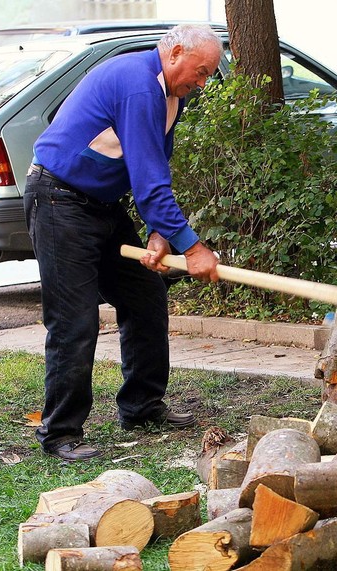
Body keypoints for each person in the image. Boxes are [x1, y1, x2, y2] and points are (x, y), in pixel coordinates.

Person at [24, 24, 222, 461]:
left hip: (102, 204)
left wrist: (159, 232)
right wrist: (191, 247)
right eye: (202, 71)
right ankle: (59, 433)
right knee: (74, 320)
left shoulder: (172, 94)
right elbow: (151, 183)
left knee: (145, 295)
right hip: (58, 199)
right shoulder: (138, 85)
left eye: (209, 75)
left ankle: (141, 406)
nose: (202, 82)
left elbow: (153, 161)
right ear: (174, 53)